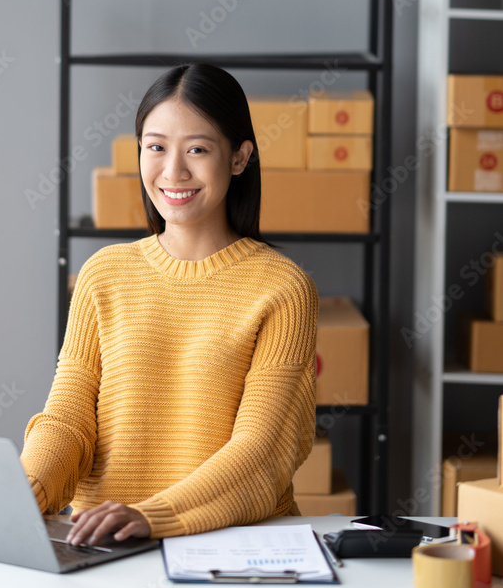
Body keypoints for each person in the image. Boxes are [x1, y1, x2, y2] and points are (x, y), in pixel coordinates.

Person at [20, 62, 318, 547]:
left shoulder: (284, 288)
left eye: (197, 149)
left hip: (227, 547)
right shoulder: (103, 273)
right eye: (155, 147)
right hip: (102, 544)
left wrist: (152, 515)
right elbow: (68, 420)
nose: (173, 171)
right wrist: (27, 491)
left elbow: (264, 451)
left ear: (240, 158)